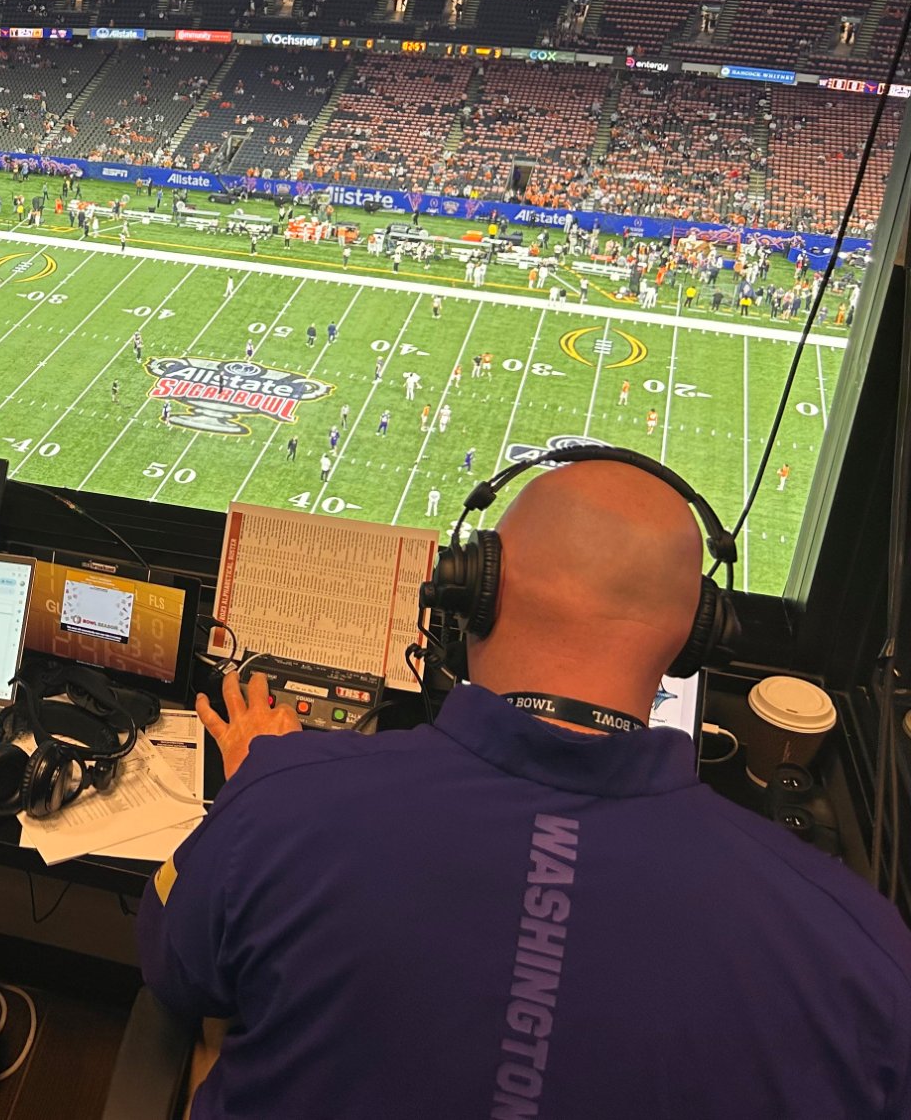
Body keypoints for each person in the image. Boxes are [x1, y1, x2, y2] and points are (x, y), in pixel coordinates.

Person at [146, 459, 911, 1119]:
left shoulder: (285, 800)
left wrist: (261, 791)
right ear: (693, 639)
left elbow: (173, 967)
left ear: (473, 590)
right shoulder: (864, 955)